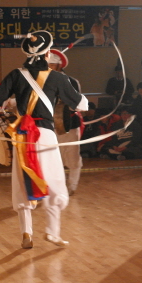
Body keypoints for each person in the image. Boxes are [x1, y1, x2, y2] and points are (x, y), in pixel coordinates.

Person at [0, 31, 88, 249]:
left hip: (22, 136)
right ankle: (52, 232)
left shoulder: (16, 75)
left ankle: (26, 232)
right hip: (46, 135)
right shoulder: (59, 78)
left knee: (22, 182)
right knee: (55, 182)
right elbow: (81, 104)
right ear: (48, 53)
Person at [48, 48, 83, 196]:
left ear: (59, 65)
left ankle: (72, 186)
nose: (48, 66)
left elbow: (76, 102)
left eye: (51, 64)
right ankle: (56, 187)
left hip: (68, 124)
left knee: (73, 158)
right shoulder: (41, 82)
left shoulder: (72, 82)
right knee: (53, 158)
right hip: (49, 126)